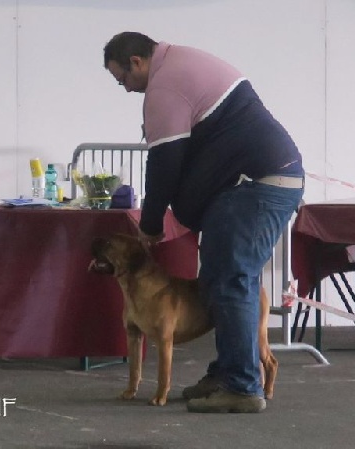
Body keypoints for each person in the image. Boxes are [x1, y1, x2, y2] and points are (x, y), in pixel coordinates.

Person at [103, 32, 304, 413]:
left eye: (123, 79)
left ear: (136, 62)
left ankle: (243, 386)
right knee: (215, 279)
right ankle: (226, 373)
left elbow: (164, 164)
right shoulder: (182, 62)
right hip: (254, 183)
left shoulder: (165, 86)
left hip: (257, 184)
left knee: (232, 280)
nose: (126, 89)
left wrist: (149, 225)